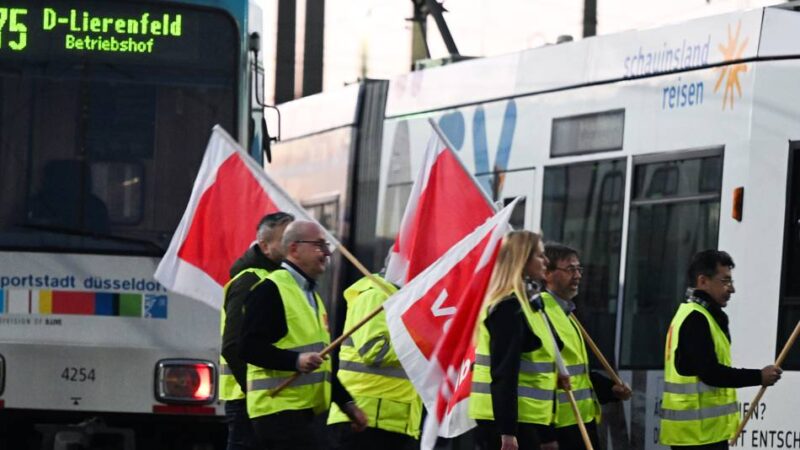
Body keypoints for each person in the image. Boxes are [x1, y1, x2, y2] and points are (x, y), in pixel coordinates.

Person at [240, 221, 368, 450]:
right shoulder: (269, 290)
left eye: (326, 246)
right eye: (319, 245)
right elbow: (248, 347)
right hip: (277, 410)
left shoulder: (311, 297)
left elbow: (322, 363)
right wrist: (296, 361)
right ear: (294, 249)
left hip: (306, 414)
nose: (327, 253)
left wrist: (347, 404)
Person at [659, 249, 782, 450]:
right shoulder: (696, 319)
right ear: (703, 281)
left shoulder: (696, 315)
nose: (731, 289)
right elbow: (711, 373)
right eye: (725, 281)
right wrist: (758, 376)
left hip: (701, 435)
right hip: (697, 436)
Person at [469, 230, 561, 450]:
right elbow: (505, 373)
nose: (546, 262)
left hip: (527, 418)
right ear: (523, 260)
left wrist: (546, 433)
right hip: (505, 422)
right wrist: (507, 433)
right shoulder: (508, 308)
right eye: (540, 256)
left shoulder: (528, 304)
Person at [542, 243, 631, 450]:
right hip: (558, 426)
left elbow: (579, 373)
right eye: (569, 269)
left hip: (580, 420)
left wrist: (611, 389)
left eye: (579, 269)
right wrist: (545, 435)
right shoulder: (544, 311)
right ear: (547, 273)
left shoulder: (566, 312)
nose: (577, 275)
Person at [220, 212, 294, 450]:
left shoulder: (281, 279)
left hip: (268, 399)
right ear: (264, 246)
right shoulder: (250, 280)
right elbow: (232, 346)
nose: (291, 244)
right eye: (285, 238)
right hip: (249, 401)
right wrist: (254, 392)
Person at [327, 273, 422, 449]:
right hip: (365, 419)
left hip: (396, 422)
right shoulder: (375, 295)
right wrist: (425, 349)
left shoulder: (407, 300)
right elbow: (374, 351)